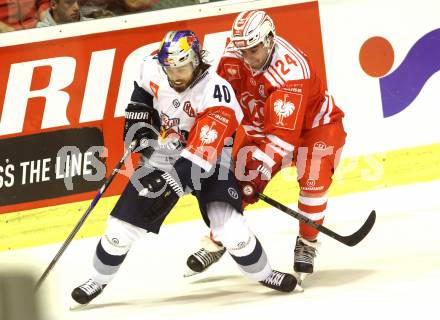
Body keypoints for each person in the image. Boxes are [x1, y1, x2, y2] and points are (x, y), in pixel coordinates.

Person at [71, 30, 298, 305]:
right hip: (165, 152)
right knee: (120, 230)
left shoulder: (217, 94)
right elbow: (141, 96)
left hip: (211, 159)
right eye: (170, 68)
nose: (175, 74)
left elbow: (198, 161)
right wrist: (138, 126)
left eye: (182, 67)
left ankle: (265, 273)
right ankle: (97, 279)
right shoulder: (152, 66)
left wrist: (165, 182)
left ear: (196, 61)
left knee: (231, 231)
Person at [185, 10, 346, 285]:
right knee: (234, 184)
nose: (248, 58)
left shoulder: (291, 71)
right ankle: (220, 238)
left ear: (269, 39)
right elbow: (219, 100)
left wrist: (261, 170)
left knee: (313, 178)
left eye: (254, 49)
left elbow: (283, 138)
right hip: (262, 128)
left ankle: (307, 242)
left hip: (315, 127)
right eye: (243, 50)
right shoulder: (234, 55)